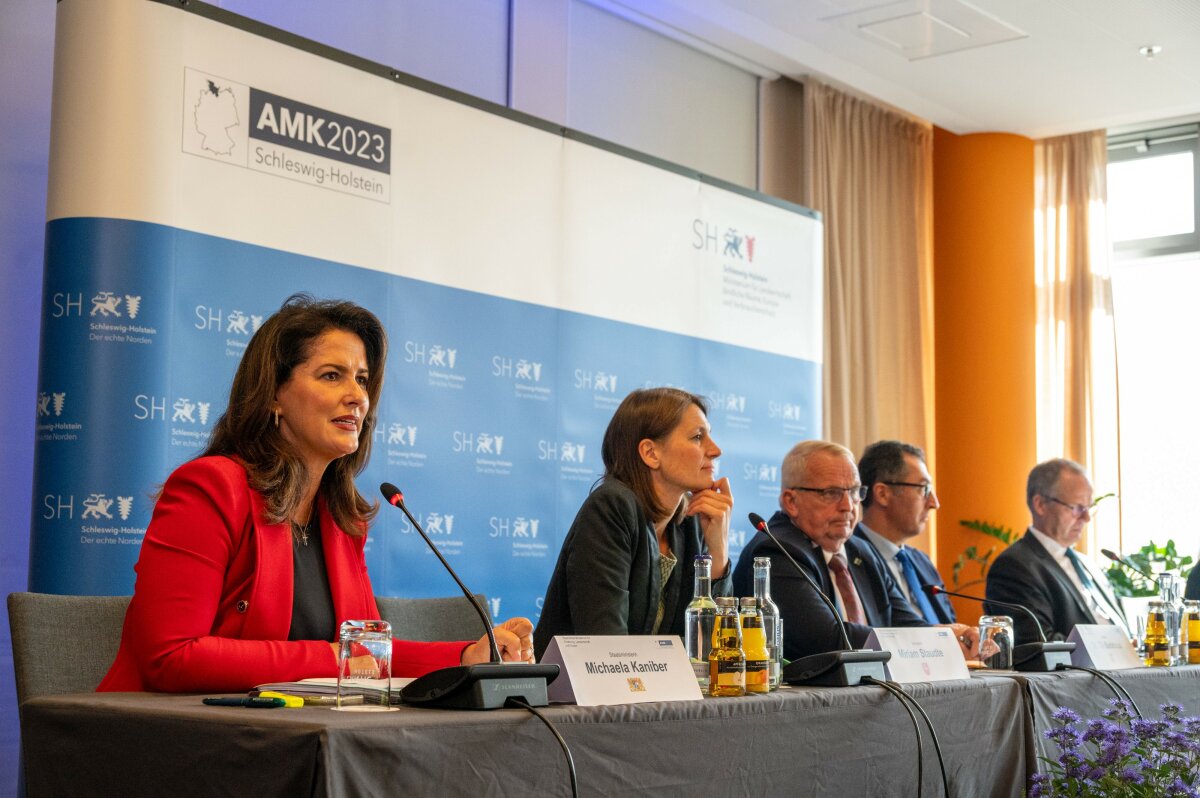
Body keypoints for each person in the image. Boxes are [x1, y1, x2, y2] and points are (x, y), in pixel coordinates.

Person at [99, 295, 533, 693]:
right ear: (274, 395)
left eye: (362, 380)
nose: (357, 397)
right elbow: (171, 657)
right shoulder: (210, 489)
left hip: (287, 739)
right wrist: (329, 660)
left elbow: (365, 654)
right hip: (173, 740)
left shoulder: (341, 520)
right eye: (332, 376)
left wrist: (465, 657)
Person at [733, 440, 979, 662]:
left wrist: (951, 637)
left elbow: (903, 621)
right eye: (831, 493)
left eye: (854, 492)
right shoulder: (777, 550)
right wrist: (930, 642)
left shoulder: (860, 550)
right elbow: (829, 639)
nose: (848, 506)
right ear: (791, 501)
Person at [533, 388, 734, 658]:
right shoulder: (611, 507)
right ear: (650, 453)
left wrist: (718, 555)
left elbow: (713, 653)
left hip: (650, 695)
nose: (716, 450)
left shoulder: (690, 522)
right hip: (577, 695)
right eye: (698, 437)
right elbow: (606, 648)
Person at [986, 458, 1129, 644]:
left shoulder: (1087, 564)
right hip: (1080, 672)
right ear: (1040, 505)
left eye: (1089, 508)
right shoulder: (1014, 566)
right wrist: (1112, 648)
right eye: (1077, 508)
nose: (1086, 518)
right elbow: (1038, 643)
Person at [853, 440, 955, 624]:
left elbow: (951, 626)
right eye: (924, 489)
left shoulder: (922, 562)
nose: (934, 503)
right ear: (883, 494)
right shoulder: (849, 559)